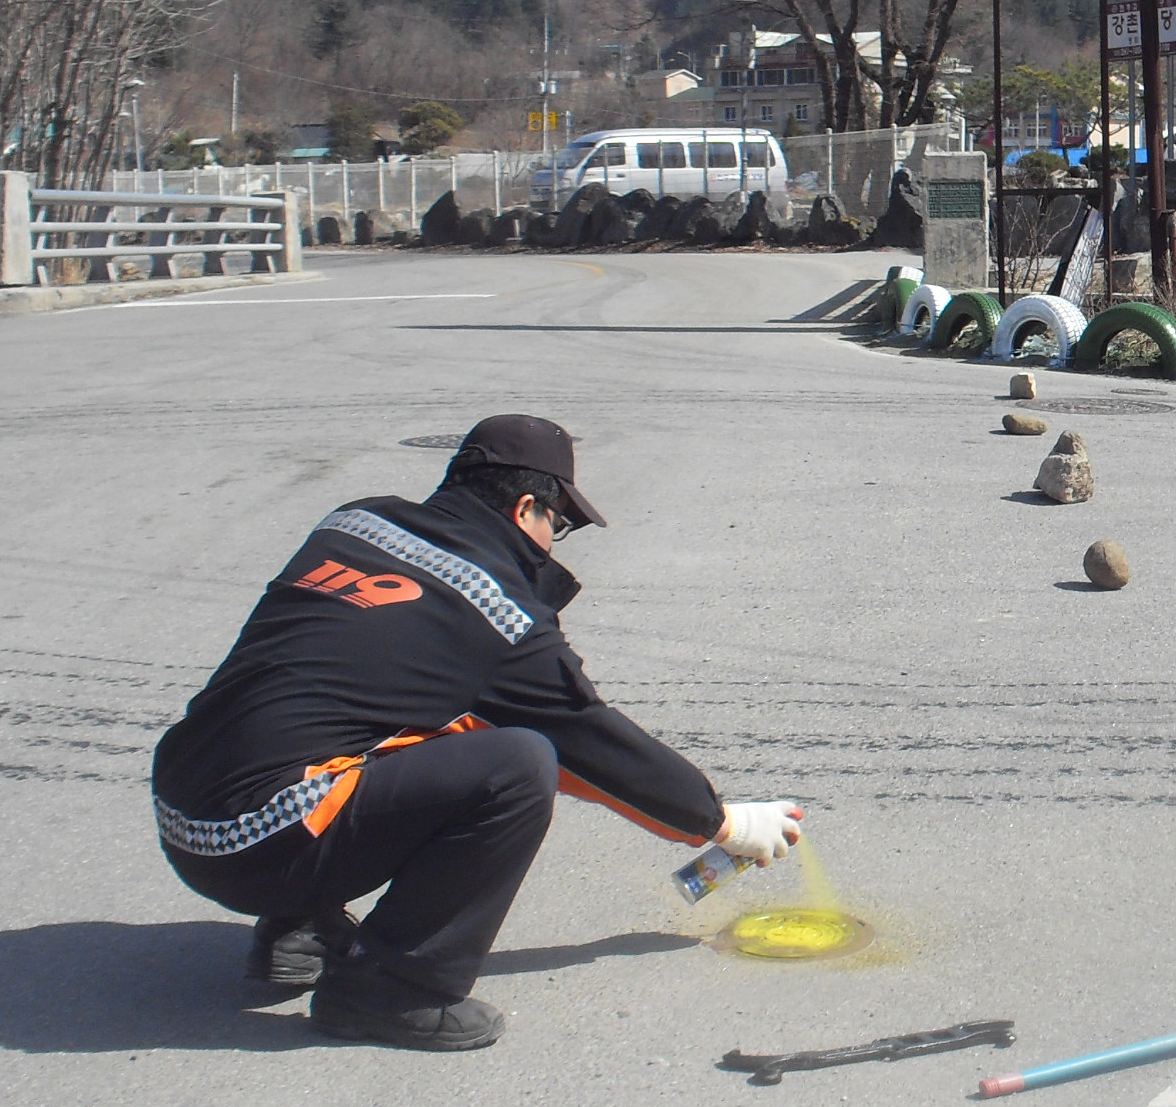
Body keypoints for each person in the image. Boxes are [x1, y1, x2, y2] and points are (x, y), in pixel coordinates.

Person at [149, 414, 800, 1051]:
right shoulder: (495, 607)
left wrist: (695, 823)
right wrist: (723, 824)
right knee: (517, 765)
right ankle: (391, 988)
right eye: (557, 524)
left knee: (385, 722)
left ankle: (300, 927)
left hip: (185, 814)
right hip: (266, 842)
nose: (552, 543)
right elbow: (590, 742)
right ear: (525, 509)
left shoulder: (355, 522)